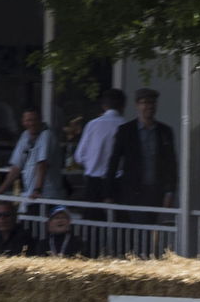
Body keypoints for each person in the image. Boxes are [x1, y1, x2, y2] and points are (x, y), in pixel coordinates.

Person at [106, 87, 177, 219]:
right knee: (133, 232)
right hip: (132, 192)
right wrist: (109, 194)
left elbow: (171, 164)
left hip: (156, 192)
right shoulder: (126, 131)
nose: (149, 106)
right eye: (145, 102)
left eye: (152, 102)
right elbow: (114, 161)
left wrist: (170, 192)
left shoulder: (164, 131)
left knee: (153, 232)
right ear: (137, 105)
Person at [0, 107, 61, 203]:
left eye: (34, 120)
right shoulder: (25, 135)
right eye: (28, 120)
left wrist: (37, 190)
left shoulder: (47, 134)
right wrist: (0, 191)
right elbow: (16, 167)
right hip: (30, 195)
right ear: (23, 122)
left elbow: (42, 164)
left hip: (46, 195)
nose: (32, 123)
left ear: (40, 120)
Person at [74, 88, 126, 204]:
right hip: (117, 182)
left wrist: (92, 163)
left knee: (93, 219)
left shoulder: (93, 125)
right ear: (123, 106)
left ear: (104, 106)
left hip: (93, 181)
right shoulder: (126, 126)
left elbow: (79, 156)